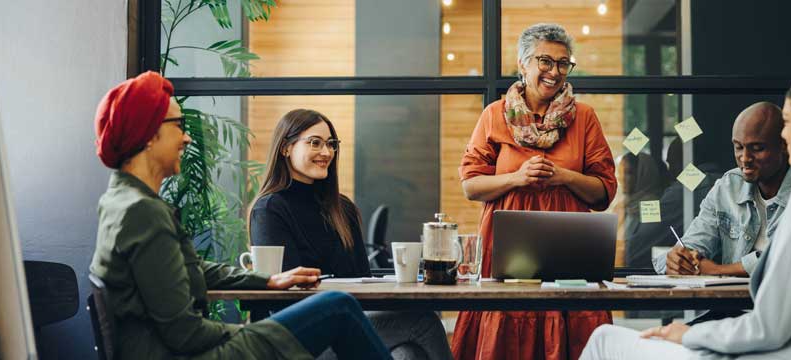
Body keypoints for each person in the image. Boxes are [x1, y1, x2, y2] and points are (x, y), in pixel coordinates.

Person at [579, 71, 791, 360]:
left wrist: (689, 334)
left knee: (605, 339)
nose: (788, 134)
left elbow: (768, 327)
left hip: (781, 353)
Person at [88, 72, 391, 360]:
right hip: (190, 354)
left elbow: (190, 268)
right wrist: (248, 332)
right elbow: (185, 334)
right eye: (178, 126)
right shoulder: (143, 211)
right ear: (149, 134)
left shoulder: (122, 202)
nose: (187, 139)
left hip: (177, 349)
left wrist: (268, 280)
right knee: (337, 306)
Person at [452, 23, 618, 360]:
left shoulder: (584, 118)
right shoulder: (494, 116)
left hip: (571, 248)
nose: (554, 72)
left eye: (562, 64)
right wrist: (516, 178)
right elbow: (471, 185)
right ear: (523, 65)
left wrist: (564, 176)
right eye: (545, 61)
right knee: (508, 326)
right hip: (507, 249)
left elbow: (604, 192)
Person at [249, 108, 454, 360]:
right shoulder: (270, 209)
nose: (326, 152)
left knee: (407, 354)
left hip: (349, 322)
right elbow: (284, 299)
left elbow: (361, 280)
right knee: (422, 320)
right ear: (286, 148)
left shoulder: (341, 208)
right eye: (315, 143)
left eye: (331, 144)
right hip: (301, 337)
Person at [654, 102, 791, 278]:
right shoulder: (727, 187)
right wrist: (678, 259)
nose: (745, 158)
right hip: (729, 304)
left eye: (757, 148)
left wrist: (717, 270)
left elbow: (785, 258)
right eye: (738, 147)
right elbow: (693, 243)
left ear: (783, 145)